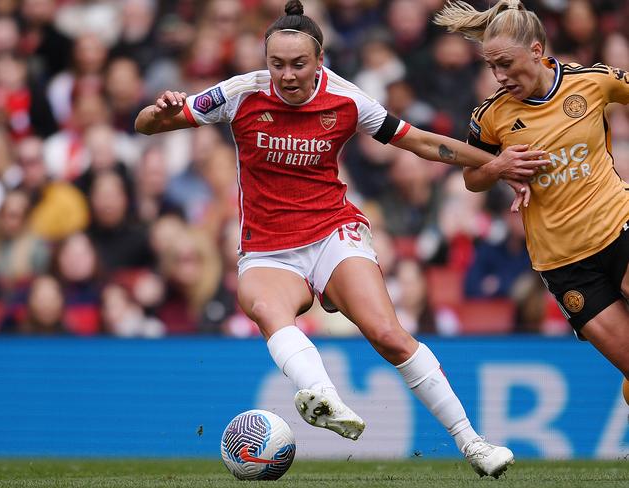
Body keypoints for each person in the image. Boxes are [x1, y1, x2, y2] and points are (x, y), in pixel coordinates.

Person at [135, 0, 548, 477]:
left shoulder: (347, 99)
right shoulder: (238, 93)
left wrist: (491, 165)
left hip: (333, 232)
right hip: (268, 247)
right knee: (267, 309)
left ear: (319, 61)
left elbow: (417, 141)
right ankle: (323, 397)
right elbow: (147, 124)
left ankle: (473, 443)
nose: (286, 75)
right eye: (276, 64)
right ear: (265, 61)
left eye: (298, 64)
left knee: (388, 336)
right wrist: (159, 110)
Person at [434, 0, 629, 406]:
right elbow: (472, 179)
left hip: (618, 226)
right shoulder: (491, 118)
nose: (499, 76)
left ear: (537, 51)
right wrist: (499, 167)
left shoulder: (592, 82)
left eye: (506, 63)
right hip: (563, 262)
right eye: (492, 67)